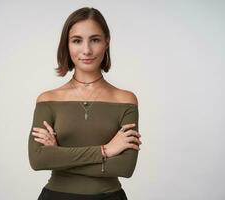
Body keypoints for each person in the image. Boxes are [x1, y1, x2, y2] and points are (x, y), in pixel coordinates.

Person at [28, 7, 142, 200]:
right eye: (77, 40)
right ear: (67, 45)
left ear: (107, 43)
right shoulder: (47, 99)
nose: (87, 50)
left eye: (95, 40)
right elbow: (39, 160)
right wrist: (105, 151)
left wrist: (59, 156)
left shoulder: (125, 100)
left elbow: (125, 167)